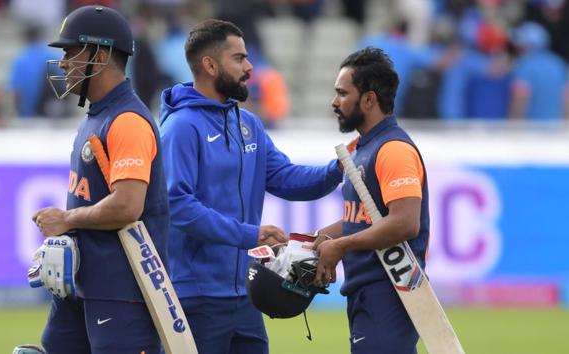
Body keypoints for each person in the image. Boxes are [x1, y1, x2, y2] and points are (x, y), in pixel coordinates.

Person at [159, 19, 343, 354]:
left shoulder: (248, 124)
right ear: (210, 65)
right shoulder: (181, 128)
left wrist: (339, 168)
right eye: (239, 58)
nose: (250, 67)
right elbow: (178, 206)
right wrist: (249, 235)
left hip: (245, 297)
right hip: (197, 297)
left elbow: (286, 178)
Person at [31, 6, 169, 353]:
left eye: (70, 52)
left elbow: (127, 205)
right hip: (83, 287)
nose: (63, 63)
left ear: (100, 54)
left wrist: (66, 220)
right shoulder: (97, 117)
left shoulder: (126, 120)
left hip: (121, 292)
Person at [312, 47, 429, 353]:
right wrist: (322, 237)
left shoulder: (393, 149)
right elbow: (364, 218)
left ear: (369, 99)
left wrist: (340, 246)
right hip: (368, 291)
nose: (334, 102)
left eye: (342, 93)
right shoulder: (361, 148)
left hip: (389, 293)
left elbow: (404, 223)